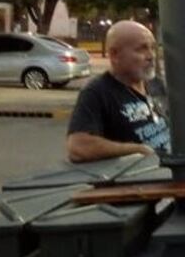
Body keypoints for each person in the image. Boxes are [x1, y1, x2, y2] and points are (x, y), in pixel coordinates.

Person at [67, 20, 171, 162]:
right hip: (137, 178)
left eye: (153, 48)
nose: (151, 56)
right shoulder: (97, 92)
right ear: (114, 55)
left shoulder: (155, 84)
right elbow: (78, 147)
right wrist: (137, 150)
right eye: (142, 49)